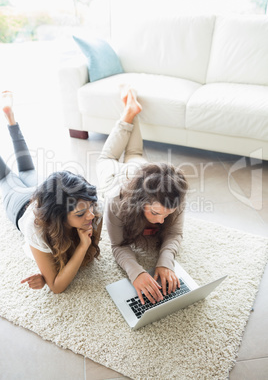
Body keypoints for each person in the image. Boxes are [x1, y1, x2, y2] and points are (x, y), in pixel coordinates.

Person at [0, 91, 102, 293]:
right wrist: (81, 247)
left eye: (90, 207)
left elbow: (88, 257)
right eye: (81, 214)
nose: (91, 215)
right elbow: (57, 286)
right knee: (4, 177)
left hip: (44, 192)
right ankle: (10, 119)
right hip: (20, 205)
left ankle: (11, 118)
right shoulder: (35, 228)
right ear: (59, 218)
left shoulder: (92, 207)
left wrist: (81, 248)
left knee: (29, 170)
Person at [97, 87, 188, 305]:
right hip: (114, 177)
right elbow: (118, 245)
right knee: (106, 157)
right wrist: (136, 272)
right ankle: (129, 112)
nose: (161, 221)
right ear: (141, 202)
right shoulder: (115, 202)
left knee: (136, 156)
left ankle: (131, 109)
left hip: (142, 170)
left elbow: (175, 233)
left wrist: (165, 262)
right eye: (156, 213)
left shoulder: (173, 195)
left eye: (168, 214)